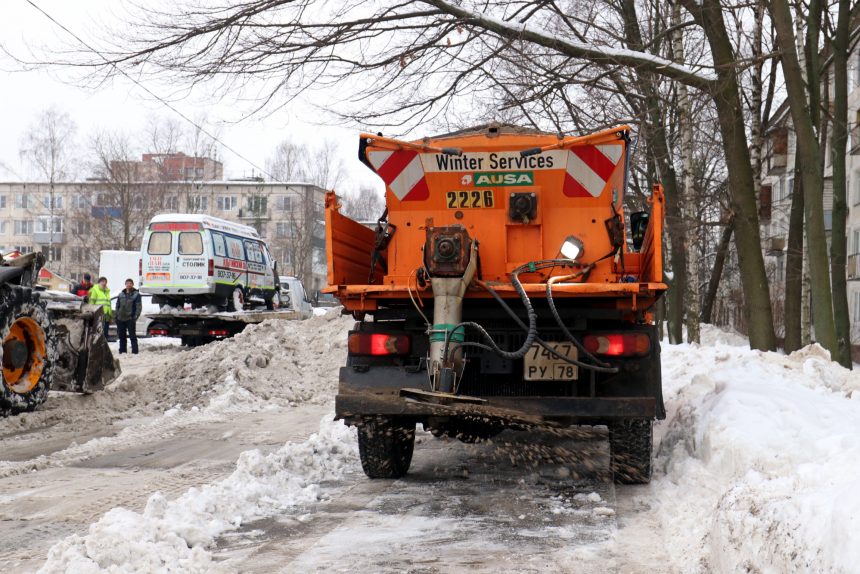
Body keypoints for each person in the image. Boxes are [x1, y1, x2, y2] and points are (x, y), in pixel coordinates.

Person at [114, 278, 142, 354]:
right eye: (127, 283)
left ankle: (135, 352)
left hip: (130, 318)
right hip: (120, 318)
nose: (129, 285)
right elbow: (117, 305)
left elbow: (139, 307)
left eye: (130, 283)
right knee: (122, 336)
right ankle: (122, 351)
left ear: (133, 285)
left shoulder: (136, 295)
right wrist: (117, 315)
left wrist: (135, 317)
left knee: (132, 336)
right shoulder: (121, 294)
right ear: (125, 284)